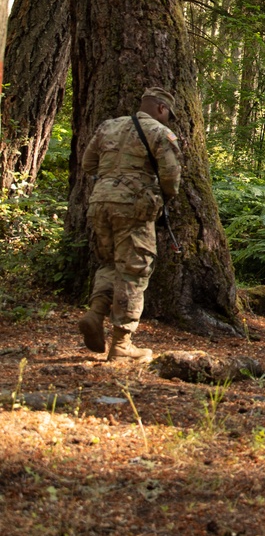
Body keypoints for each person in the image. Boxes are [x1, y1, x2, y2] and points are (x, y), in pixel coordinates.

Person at [77, 87, 182, 362]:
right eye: (168, 114)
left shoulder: (108, 127)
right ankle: (122, 344)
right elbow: (171, 176)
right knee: (134, 270)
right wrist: (161, 194)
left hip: (99, 203)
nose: (168, 118)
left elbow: (88, 164)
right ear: (161, 108)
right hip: (133, 207)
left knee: (109, 263)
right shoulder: (160, 132)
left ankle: (95, 313)